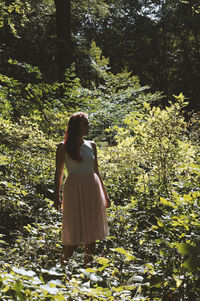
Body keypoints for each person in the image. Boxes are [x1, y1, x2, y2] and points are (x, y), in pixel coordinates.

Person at [54, 112, 110, 267]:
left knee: (92, 233)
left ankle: (88, 272)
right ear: (76, 126)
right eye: (85, 124)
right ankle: (62, 268)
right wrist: (56, 197)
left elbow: (96, 171)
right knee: (74, 233)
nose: (88, 126)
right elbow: (58, 173)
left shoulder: (91, 145)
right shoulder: (63, 147)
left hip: (92, 188)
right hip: (73, 189)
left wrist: (105, 195)